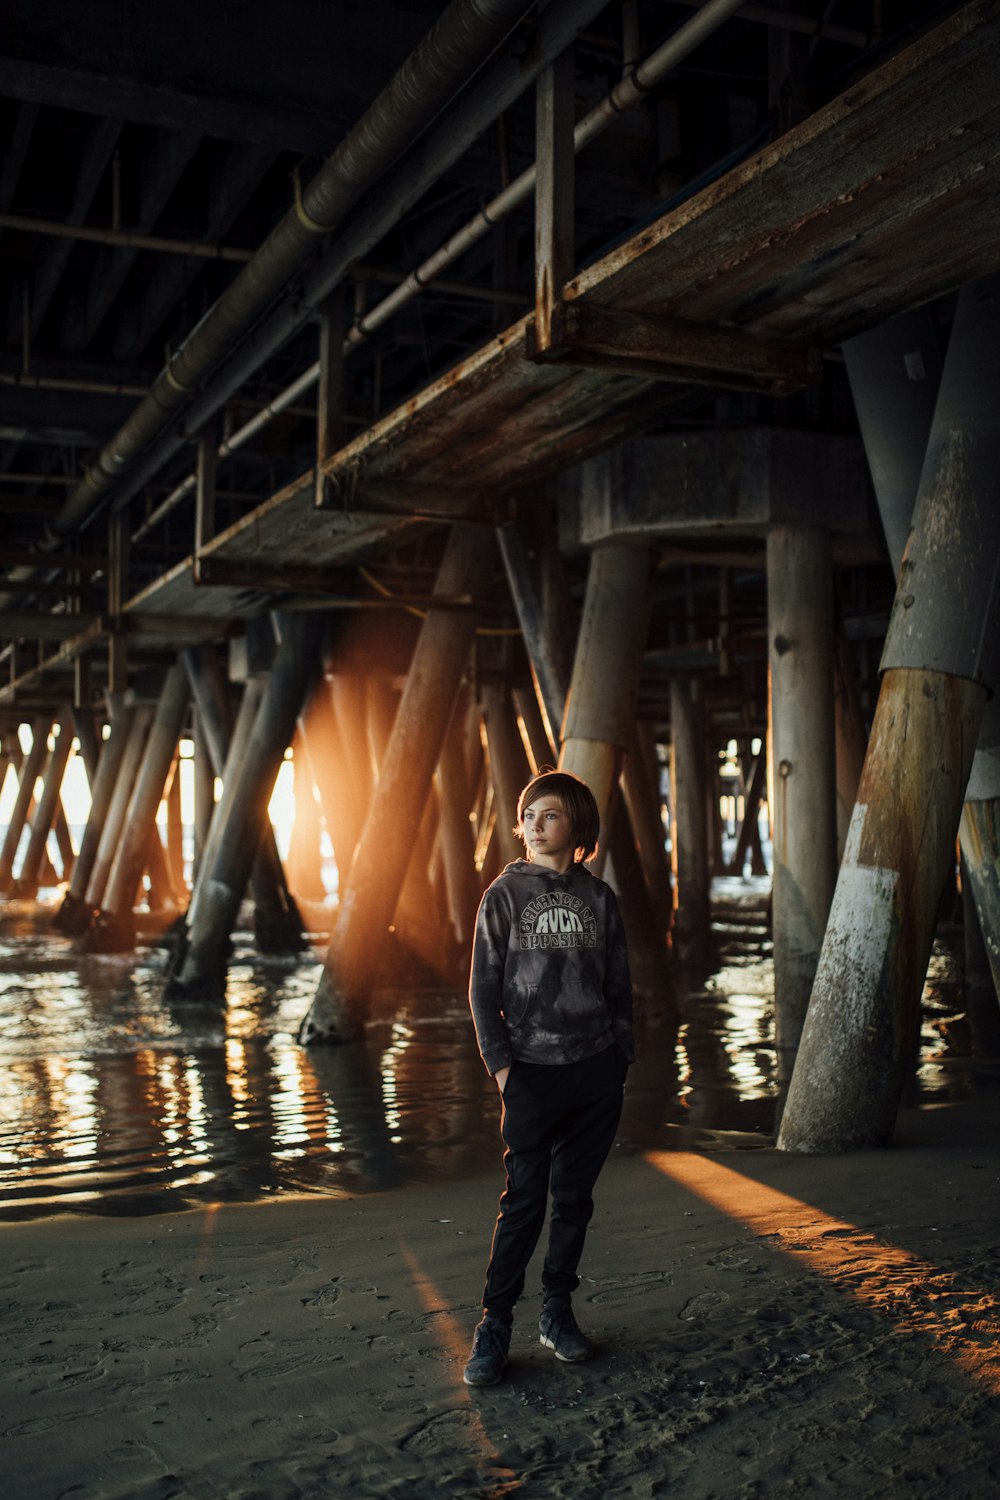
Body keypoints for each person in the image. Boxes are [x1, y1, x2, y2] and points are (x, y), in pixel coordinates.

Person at [463, 769, 634, 1388]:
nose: (536, 823)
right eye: (530, 813)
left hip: (595, 1070)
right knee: (523, 1202)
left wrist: (621, 1057)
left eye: (551, 814)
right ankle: (495, 1323)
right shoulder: (504, 896)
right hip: (531, 1073)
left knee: (574, 1201)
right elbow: (483, 987)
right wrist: (503, 1068)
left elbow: (620, 985)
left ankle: (557, 1311)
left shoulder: (600, 899)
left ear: (577, 826)